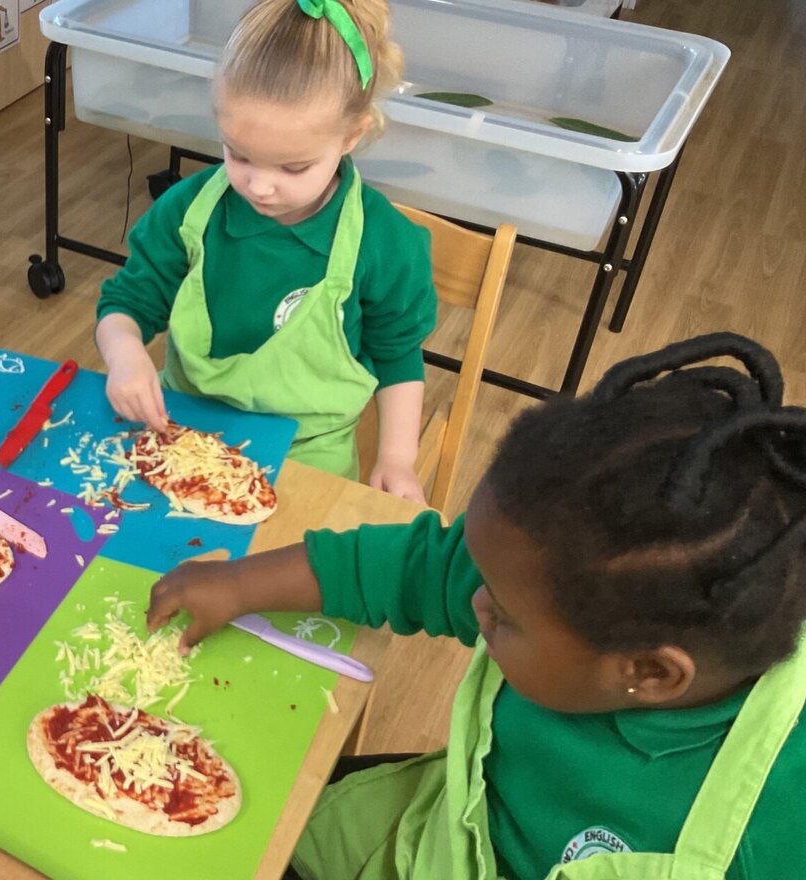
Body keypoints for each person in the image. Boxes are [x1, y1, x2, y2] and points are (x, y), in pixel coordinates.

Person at [146, 333, 806, 878]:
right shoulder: (560, 585)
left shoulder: (774, 831)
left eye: (505, 618)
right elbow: (418, 565)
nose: (475, 601)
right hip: (434, 834)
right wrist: (237, 586)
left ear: (652, 673)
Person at [96, 0, 436, 501]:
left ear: (351, 135)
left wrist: (396, 459)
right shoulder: (189, 213)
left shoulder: (386, 245)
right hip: (182, 432)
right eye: (239, 154)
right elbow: (126, 304)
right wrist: (124, 353)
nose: (260, 186)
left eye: (293, 168)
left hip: (309, 456)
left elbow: (398, 356)